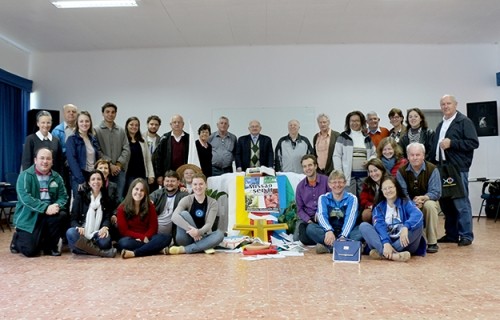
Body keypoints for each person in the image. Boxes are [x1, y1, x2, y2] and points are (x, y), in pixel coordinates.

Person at [430, 95, 479, 246]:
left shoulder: (464, 121)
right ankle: (451, 234)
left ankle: (466, 235)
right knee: (446, 203)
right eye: (443, 104)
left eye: (448, 103)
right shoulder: (440, 125)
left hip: (458, 169)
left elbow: (473, 143)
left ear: (455, 105)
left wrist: (453, 143)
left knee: (460, 202)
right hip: (442, 168)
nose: (445, 106)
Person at [10, 148, 68, 257]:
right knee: (30, 251)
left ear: (52, 161)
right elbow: (25, 198)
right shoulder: (24, 176)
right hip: (29, 216)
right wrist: (45, 208)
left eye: (48, 159)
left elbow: (63, 197)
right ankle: (16, 240)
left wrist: (56, 206)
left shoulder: (57, 177)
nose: (45, 161)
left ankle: (51, 246)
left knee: (62, 215)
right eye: (42, 158)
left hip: (50, 213)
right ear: (35, 160)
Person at [359, 176, 425, 262]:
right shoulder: (379, 208)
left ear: (396, 188)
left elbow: (418, 214)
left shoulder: (405, 202)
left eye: (390, 187)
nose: (388, 191)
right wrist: (386, 242)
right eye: (385, 189)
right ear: (382, 191)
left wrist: (406, 227)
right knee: (363, 226)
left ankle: (382, 253)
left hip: (404, 243)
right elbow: (379, 226)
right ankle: (394, 255)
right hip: (385, 242)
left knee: (418, 226)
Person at [397, 142, 441, 253]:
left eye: (418, 155)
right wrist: (412, 203)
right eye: (412, 155)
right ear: (408, 156)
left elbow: (436, 192)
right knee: (403, 206)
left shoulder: (433, 169)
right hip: (408, 202)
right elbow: (402, 192)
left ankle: (432, 242)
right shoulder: (401, 172)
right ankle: (409, 240)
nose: (415, 157)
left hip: (428, 201)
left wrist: (423, 198)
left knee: (430, 205)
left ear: (423, 155)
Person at [306, 170, 361, 254]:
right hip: (329, 231)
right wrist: (328, 230)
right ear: (329, 184)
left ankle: (329, 247)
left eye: (340, 182)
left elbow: (350, 219)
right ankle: (345, 247)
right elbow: (321, 216)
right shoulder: (323, 198)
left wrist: (343, 236)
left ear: (345, 183)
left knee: (361, 230)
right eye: (334, 182)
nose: (337, 185)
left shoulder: (352, 198)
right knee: (310, 229)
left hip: (347, 231)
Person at [169, 173, 225, 254]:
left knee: (220, 234)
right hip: (186, 238)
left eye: (201, 184)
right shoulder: (186, 199)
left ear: (206, 185)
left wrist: (198, 232)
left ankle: (184, 250)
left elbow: (209, 224)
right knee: (184, 214)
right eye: (195, 184)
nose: (198, 187)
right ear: (191, 185)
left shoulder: (212, 202)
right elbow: (174, 217)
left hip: (203, 236)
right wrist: (193, 232)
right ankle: (203, 246)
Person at [66, 170, 116, 257]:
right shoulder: (80, 196)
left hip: (97, 233)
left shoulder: (106, 198)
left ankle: (82, 249)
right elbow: (73, 218)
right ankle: (102, 253)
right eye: (93, 179)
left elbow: (107, 218)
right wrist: (79, 227)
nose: (96, 182)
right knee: (70, 232)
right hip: (83, 232)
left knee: (106, 242)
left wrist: (105, 227)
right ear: (89, 182)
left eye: (99, 179)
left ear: (102, 182)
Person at [117, 178, 171, 259]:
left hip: (148, 237)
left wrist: (146, 237)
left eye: (142, 190)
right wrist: (142, 238)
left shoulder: (150, 206)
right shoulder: (121, 208)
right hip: (131, 239)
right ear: (131, 190)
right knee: (123, 243)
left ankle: (134, 253)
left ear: (145, 193)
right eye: (136, 189)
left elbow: (153, 228)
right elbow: (124, 231)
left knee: (166, 238)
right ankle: (155, 249)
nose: (139, 192)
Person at [333, 111, 376, 198]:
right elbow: (337, 155)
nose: (354, 123)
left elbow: (374, 154)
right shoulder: (343, 137)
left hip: (364, 176)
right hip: (348, 176)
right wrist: (339, 174)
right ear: (348, 123)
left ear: (361, 122)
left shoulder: (366, 137)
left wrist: (369, 161)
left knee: (363, 200)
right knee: (350, 199)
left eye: (357, 121)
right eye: (352, 121)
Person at [94, 102, 130, 198]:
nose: (110, 114)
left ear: (115, 113)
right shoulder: (96, 130)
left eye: (113, 112)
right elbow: (97, 150)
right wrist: (109, 165)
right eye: (107, 112)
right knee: (103, 196)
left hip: (119, 171)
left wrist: (118, 164)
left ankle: (116, 213)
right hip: (103, 170)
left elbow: (126, 148)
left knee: (119, 197)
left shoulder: (121, 130)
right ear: (103, 113)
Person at [294, 154, 330, 245]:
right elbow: (300, 209)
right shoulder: (300, 187)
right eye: (304, 166)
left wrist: (321, 214)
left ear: (315, 166)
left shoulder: (326, 181)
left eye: (310, 165)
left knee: (309, 232)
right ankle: (322, 239)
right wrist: (308, 220)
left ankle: (325, 240)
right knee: (297, 238)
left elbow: (332, 200)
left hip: (325, 216)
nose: (307, 168)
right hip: (309, 219)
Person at [66, 111, 101, 197]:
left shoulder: (92, 139)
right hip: (79, 177)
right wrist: (80, 179)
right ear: (77, 123)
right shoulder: (72, 139)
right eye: (81, 121)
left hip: (92, 177)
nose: (84, 123)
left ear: (90, 122)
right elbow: (72, 160)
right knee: (79, 205)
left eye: (87, 121)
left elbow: (98, 156)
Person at [150, 170, 189, 236]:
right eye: (167, 181)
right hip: (153, 229)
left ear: (178, 182)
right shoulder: (158, 193)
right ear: (163, 182)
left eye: (173, 181)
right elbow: (148, 200)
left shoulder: (183, 195)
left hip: (171, 234)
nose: (169, 183)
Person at [154, 114, 189, 186]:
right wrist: (159, 175)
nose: (177, 124)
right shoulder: (165, 138)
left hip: (184, 174)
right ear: (171, 124)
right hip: (168, 173)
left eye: (179, 122)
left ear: (183, 124)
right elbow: (158, 158)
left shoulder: (189, 138)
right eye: (175, 122)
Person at [52, 103, 78, 196]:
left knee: (78, 194)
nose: (71, 113)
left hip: (77, 167)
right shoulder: (57, 131)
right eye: (68, 111)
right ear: (64, 114)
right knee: (64, 194)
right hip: (63, 167)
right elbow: (55, 151)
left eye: (74, 112)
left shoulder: (81, 129)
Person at [124, 116, 155, 191]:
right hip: (128, 175)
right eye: (131, 124)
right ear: (127, 126)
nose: (134, 127)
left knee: (142, 195)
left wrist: (151, 175)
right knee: (130, 195)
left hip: (142, 174)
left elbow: (148, 159)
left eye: (136, 125)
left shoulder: (142, 140)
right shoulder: (123, 140)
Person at [95, 159, 120, 240]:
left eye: (106, 168)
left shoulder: (114, 186)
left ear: (109, 171)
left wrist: (114, 214)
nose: (103, 170)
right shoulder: (90, 185)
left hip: (109, 218)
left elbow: (117, 203)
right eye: (100, 168)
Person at [359, 158, 390, 223]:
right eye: (371, 171)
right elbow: (363, 198)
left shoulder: (389, 181)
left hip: (387, 207)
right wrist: (370, 205)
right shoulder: (367, 182)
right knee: (366, 215)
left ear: (382, 170)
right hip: (372, 207)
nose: (373, 174)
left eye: (375, 170)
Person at [143, 115, 162, 191]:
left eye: (156, 125)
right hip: (142, 171)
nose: (153, 126)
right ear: (147, 124)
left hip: (154, 173)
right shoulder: (140, 138)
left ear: (159, 126)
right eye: (151, 124)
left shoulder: (161, 140)